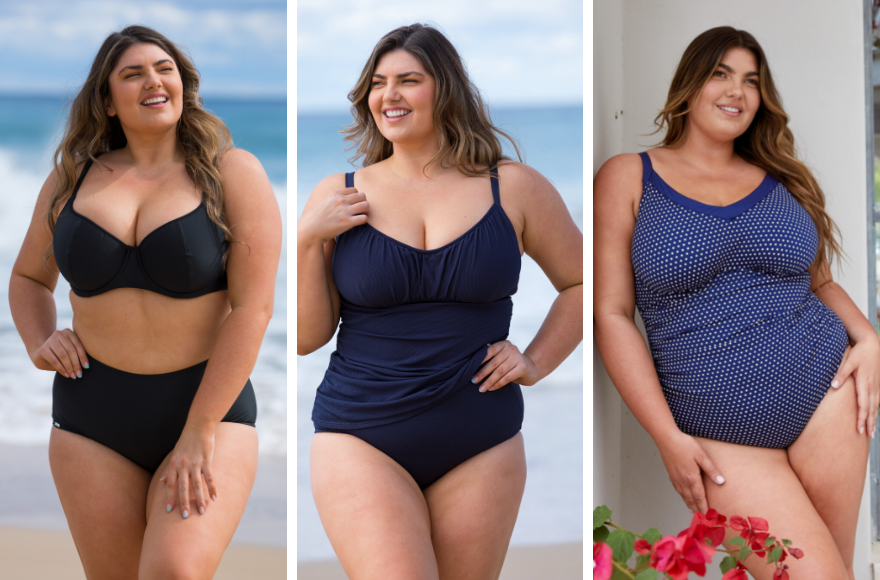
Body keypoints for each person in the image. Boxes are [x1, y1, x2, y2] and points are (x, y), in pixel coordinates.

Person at [297, 23, 582, 580]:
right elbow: (309, 336)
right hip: (360, 434)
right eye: (378, 83)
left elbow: (584, 282)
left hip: (481, 439)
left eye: (409, 80)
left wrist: (535, 361)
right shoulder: (340, 194)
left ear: (445, 89)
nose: (389, 95)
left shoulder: (513, 187)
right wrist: (309, 239)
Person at [594, 26, 878, 580]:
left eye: (752, 80)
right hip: (719, 430)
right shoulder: (631, 176)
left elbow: (819, 282)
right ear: (690, 85)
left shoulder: (781, 181)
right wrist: (666, 436)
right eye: (721, 73)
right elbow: (611, 314)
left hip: (830, 398)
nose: (737, 90)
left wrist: (869, 338)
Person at [8, 25, 281, 579]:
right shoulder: (72, 177)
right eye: (132, 73)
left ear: (183, 86)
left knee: (174, 570)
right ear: (107, 101)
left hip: (208, 412)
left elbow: (254, 310)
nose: (153, 81)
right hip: (91, 416)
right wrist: (40, 340)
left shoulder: (233, 173)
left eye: (164, 69)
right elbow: (27, 278)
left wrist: (198, 430)